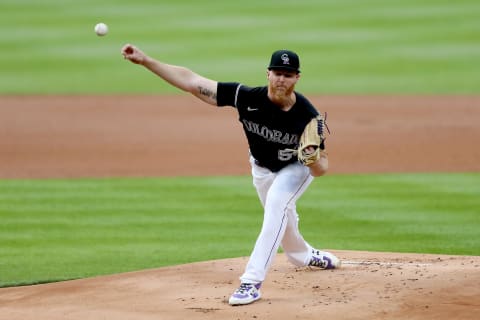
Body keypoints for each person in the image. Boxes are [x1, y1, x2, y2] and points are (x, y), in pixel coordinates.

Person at [121, 44, 341, 306]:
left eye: (288, 74)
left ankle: (251, 282)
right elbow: (193, 82)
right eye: (277, 72)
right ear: (268, 73)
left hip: (295, 169)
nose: (282, 78)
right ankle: (302, 254)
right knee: (281, 217)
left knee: (277, 205)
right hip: (260, 167)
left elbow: (322, 169)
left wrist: (312, 159)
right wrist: (146, 61)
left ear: (297, 78)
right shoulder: (246, 97)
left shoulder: (307, 115)